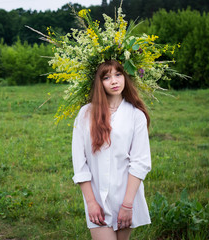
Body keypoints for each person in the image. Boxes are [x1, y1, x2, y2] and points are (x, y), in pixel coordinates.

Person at [72, 60, 152, 240]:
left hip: (127, 196)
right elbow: (79, 163)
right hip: (96, 198)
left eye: (118, 74)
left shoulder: (135, 115)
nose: (114, 81)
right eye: (107, 77)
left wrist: (128, 205)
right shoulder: (85, 114)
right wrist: (91, 203)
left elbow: (140, 162)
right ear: (99, 83)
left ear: (126, 77)